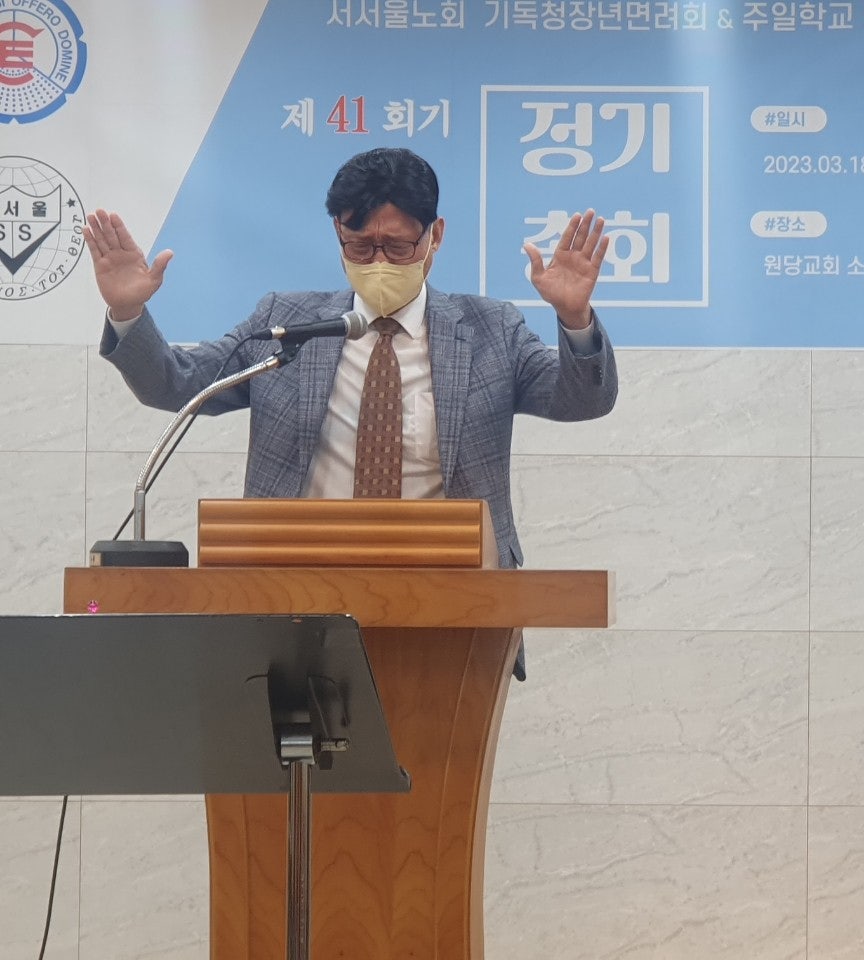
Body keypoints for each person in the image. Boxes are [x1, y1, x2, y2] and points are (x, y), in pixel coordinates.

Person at [84, 146, 619, 678]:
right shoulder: (287, 322)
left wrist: (575, 318)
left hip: (453, 602)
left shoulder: (491, 330)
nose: (379, 262)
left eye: (398, 246)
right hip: (292, 600)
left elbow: (583, 399)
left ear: (435, 235)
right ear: (337, 234)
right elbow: (176, 383)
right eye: (360, 246)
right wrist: (128, 310)